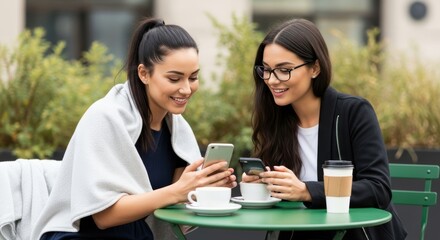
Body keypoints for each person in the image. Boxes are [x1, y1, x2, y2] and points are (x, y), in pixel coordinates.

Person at [31, 17, 237, 240]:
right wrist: (176, 191)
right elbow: (104, 217)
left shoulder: (178, 131)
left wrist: (202, 188)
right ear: (144, 74)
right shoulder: (105, 117)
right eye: (174, 78)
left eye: (193, 77)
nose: (186, 89)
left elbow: (171, 206)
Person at [242, 18, 407, 240]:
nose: (272, 80)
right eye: (267, 70)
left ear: (315, 68)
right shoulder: (277, 120)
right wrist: (262, 186)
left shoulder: (354, 112)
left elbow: (377, 189)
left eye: (284, 70)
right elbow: (285, 198)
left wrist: (307, 191)